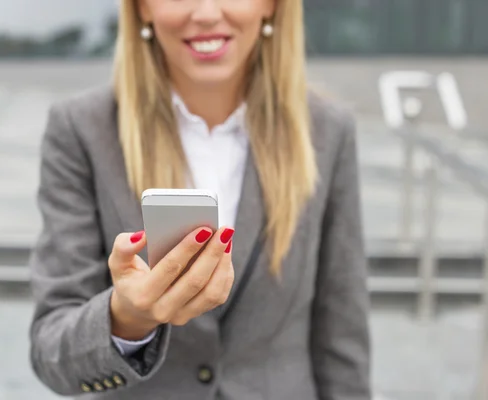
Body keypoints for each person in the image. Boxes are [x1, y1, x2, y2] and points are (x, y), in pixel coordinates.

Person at [28, 0, 371, 399]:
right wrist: (126, 319)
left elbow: (342, 333)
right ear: (141, 8)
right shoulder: (81, 130)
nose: (207, 13)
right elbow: (50, 349)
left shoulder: (328, 131)